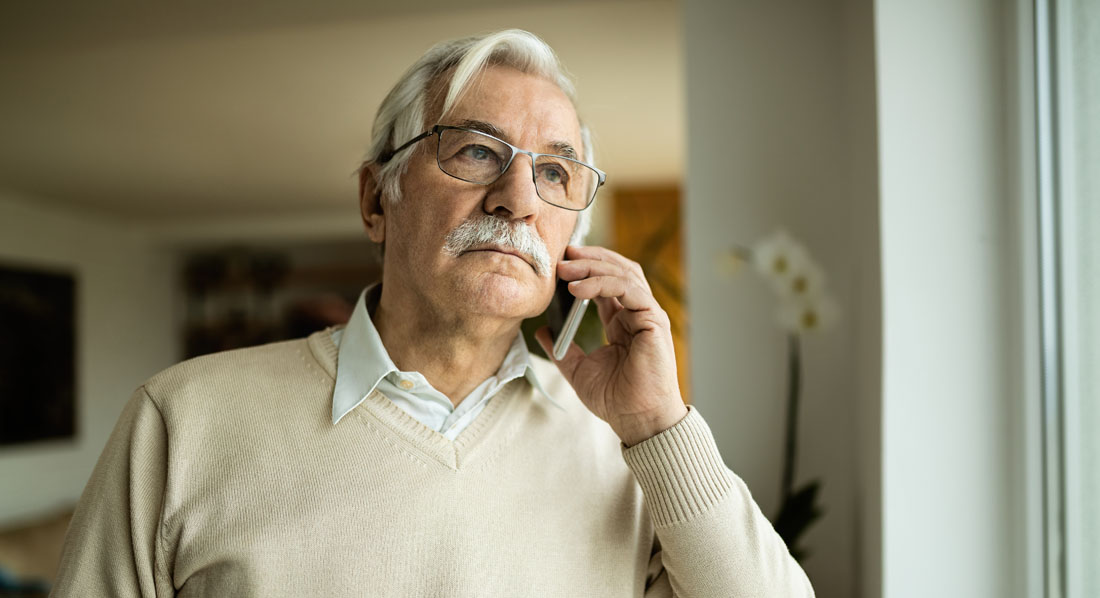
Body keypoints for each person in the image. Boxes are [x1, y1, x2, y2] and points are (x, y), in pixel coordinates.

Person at [52, 29, 815, 597]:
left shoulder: (628, 451)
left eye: (554, 172)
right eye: (477, 151)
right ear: (374, 200)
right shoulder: (181, 419)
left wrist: (658, 427)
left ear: (569, 237)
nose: (518, 199)